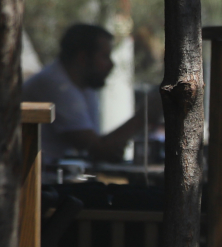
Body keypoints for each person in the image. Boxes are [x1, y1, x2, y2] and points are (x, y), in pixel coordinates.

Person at [20, 22, 156, 168]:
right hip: (35, 184)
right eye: (105, 56)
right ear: (83, 58)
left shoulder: (84, 86)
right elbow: (97, 149)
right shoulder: (58, 86)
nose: (111, 65)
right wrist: (146, 115)